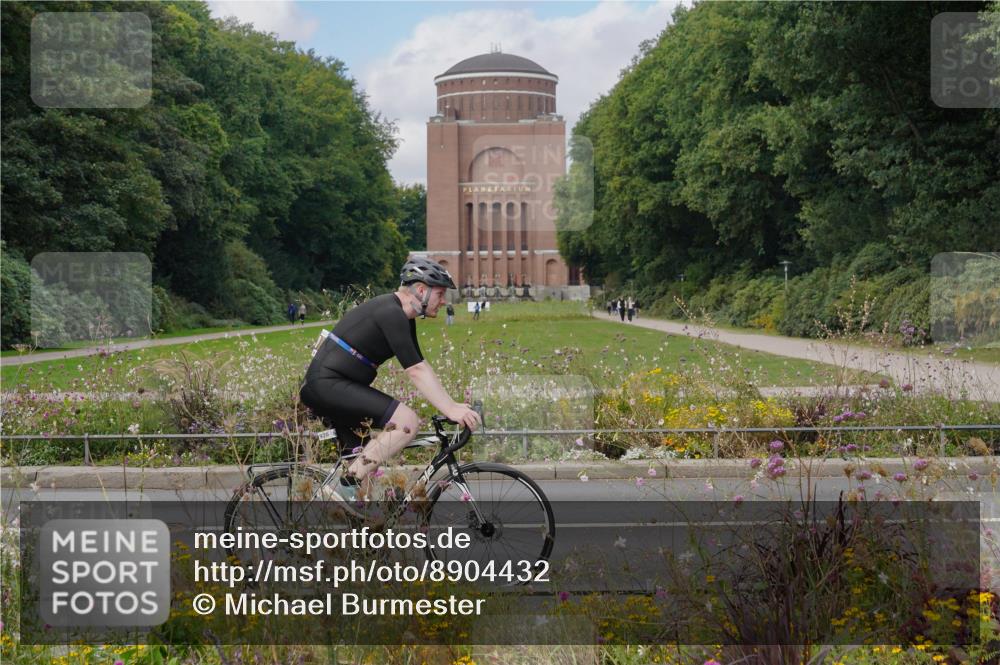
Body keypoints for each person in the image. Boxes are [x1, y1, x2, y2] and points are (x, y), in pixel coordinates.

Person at [299, 257, 481, 510]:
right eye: (440, 294)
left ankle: (362, 540)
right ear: (421, 290)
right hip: (326, 385)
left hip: (333, 386)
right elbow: (415, 371)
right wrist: (450, 410)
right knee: (406, 423)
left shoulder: (402, 317)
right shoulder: (390, 312)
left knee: (364, 485)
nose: (443, 301)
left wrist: (452, 404)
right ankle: (346, 484)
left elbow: (420, 364)